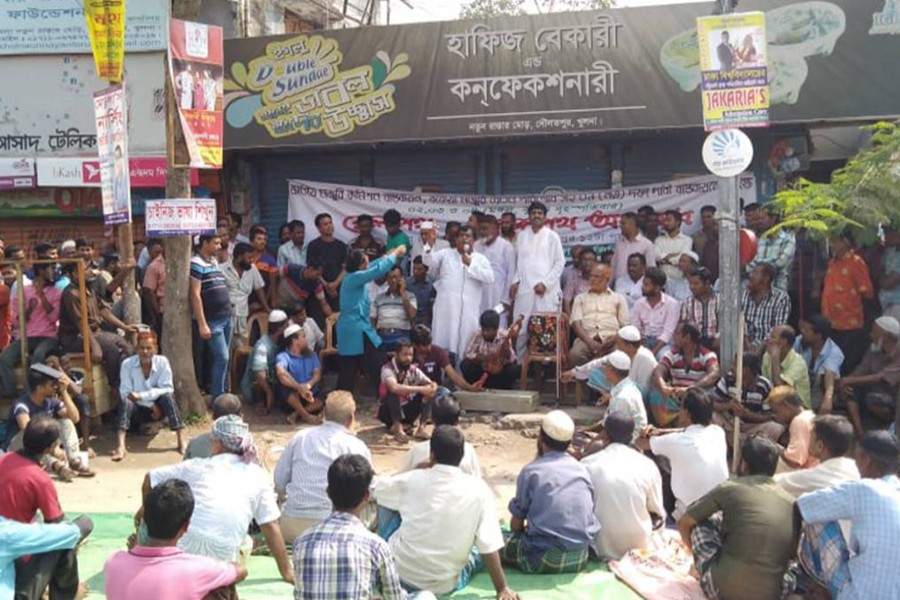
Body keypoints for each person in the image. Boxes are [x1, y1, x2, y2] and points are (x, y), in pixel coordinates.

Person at [141, 416, 293, 583]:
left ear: (219, 444)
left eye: (212, 441)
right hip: (222, 560)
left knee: (149, 523)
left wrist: (145, 517)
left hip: (181, 558)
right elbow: (270, 525)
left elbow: (150, 478)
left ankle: (141, 558)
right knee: (245, 544)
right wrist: (286, 571)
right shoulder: (257, 474)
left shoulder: (197, 466)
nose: (209, 444)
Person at [374, 426, 519, 598]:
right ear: (461, 456)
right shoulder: (479, 490)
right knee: (482, 545)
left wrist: (417, 469)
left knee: (385, 498)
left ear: (432, 454)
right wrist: (501, 588)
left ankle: (380, 561)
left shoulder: (411, 480)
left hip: (398, 574)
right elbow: (489, 546)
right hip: (444, 584)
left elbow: (376, 490)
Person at [678, 436, 797, 600]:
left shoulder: (730, 488)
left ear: (744, 465)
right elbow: (791, 556)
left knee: (703, 522)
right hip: (772, 595)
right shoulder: (792, 503)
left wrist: (694, 555)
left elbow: (685, 522)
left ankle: (704, 571)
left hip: (721, 590)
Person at [293, 455, 421, 600]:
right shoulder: (376, 546)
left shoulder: (302, 542)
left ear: (328, 492)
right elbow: (395, 597)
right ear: (367, 496)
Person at [796, 431, 900, 600]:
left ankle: (814, 589)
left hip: (856, 596)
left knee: (818, 519)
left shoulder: (864, 488)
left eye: (857, 459)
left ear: (866, 460)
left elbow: (803, 505)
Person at [0, 417, 94, 600]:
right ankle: (65, 594)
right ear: (49, 448)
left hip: (12, 541)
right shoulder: (40, 479)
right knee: (67, 537)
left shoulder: (4, 459)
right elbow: (58, 526)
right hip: (18, 546)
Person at [105, 479, 246, 600]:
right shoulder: (197, 568)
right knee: (223, 587)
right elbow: (240, 571)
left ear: (144, 520)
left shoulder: (113, 562)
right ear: (186, 526)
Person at [504, 411, 599, 574]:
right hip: (581, 556)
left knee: (493, 541)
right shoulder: (581, 469)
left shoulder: (531, 471)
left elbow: (516, 524)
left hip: (544, 557)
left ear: (540, 439)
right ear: (569, 442)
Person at [274, 391, 371, 544]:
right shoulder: (357, 446)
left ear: (324, 413)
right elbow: (368, 490)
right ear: (351, 418)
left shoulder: (300, 437)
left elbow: (279, 483)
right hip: (335, 531)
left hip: (292, 526)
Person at [581, 412, 665, 561]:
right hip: (640, 550)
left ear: (604, 435)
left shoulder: (587, 465)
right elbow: (658, 514)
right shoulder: (647, 465)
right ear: (631, 435)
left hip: (598, 550)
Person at [642, 388, 729, 519]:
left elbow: (640, 444)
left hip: (687, 515)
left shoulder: (675, 441)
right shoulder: (718, 432)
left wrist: (644, 432)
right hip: (719, 511)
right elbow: (685, 430)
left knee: (654, 456)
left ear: (687, 412)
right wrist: (660, 431)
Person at [336, 245, 406, 393]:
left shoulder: (356, 275)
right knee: (352, 366)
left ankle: (380, 393)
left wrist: (389, 255)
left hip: (357, 327)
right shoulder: (354, 277)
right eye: (365, 262)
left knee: (357, 364)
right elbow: (376, 270)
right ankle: (341, 402)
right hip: (354, 328)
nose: (368, 264)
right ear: (359, 265)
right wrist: (397, 253)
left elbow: (375, 265)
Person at [4, 365, 90, 480]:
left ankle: (74, 460)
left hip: (40, 447)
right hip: (17, 447)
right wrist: (54, 450)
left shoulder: (51, 402)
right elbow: (29, 431)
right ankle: (57, 466)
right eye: (51, 385)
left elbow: (75, 418)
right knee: (35, 436)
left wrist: (64, 392)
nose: (55, 387)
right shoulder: (21, 405)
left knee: (66, 422)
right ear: (40, 388)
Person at [113, 332, 184, 461]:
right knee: (125, 401)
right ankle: (121, 446)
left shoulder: (162, 362)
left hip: (159, 410)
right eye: (141, 348)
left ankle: (181, 439)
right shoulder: (127, 364)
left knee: (168, 396)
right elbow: (126, 393)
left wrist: (141, 396)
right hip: (137, 410)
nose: (145, 352)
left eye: (149, 348)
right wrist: (150, 404)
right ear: (136, 349)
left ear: (155, 349)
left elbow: (168, 388)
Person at [0, 261, 62, 400]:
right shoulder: (25, 291)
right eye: (50, 268)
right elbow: (17, 320)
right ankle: (11, 394)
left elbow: (54, 317)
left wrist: (41, 296)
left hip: (48, 336)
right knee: (4, 358)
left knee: (37, 357)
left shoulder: (56, 292)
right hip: (28, 336)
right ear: (41, 271)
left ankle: (32, 395)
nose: (54, 271)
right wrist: (30, 309)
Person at [431, 225, 494, 361]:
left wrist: (471, 264)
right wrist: (428, 246)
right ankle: (440, 379)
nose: (464, 239)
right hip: (446, 310)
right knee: (441, 344)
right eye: (461, 236)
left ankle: (461, 381)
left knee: (466, 348)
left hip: (468, 312)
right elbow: (428, 262)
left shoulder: (480, 259)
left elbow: (490, 277)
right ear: (456, 239)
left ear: (474, 240)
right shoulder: (445, 254)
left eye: (468, 236)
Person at [510, 202, 565, 358]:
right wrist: (515, 281)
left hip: (545, 292)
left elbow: (560, 263)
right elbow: (518, 263)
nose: (536, 216)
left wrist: (545, 284)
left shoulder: (552, 236)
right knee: (521, 330)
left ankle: (543, 369)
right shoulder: (521, 236)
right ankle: (520, 366)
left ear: (545, 217)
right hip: (525, 290)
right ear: (528, 216)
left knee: (545, 330)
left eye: (540, 213)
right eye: (533, 213)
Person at [574, 350, 648, 456]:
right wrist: (588, 429)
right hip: (618, 438)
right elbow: (607, 421)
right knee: (579, 434)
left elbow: (610, 430)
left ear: (611, 370)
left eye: (605, 366)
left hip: (628, 446)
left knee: (584, 443)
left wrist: (583, 450)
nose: (603, 369)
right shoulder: (624, 386)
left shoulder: (622, 398)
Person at [821, 231, 874, 375]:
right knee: (832, 360)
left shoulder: (856, 262)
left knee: (849, 360)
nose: (832, 245)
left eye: (836, 241)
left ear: (846, 242)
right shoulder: (832, 263)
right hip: (831, 321)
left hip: (850, 322)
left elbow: (867, 292)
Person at [648, 321, 720, 427]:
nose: (674, 336)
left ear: (687, 337)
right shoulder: (672, 354)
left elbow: (714, 373)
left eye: (677, 333)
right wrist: (663, 386)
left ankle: (684, 420)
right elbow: (658, 371)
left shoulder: (707, 355)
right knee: (656, 393)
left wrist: (690, 389)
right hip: (676, 398)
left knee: (707, 394)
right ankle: (673, 422)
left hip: (695, 399)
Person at [839, 315, 900, 436]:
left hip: (891, 393)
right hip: (871, 388)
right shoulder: (874, 349)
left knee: (875, 399)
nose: (872, 334)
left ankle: (889, 423)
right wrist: (847, 382)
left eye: (875, 332)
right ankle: (860, 431)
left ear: (886, 336)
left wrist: (848, 380)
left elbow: (881, 377)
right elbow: (862, 369)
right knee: (851, 391)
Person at [190, 234, 233, 398]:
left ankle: (222, 393)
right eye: (215, 243)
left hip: (226, 316)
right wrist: (202, 323)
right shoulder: (196, 263)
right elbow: (195, 294)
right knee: (221, 357)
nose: (219, 246)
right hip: (213, 319)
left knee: (224, 359)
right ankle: (218, 397)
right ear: (204, 243)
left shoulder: (214, 262)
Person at [775, 414, 860, 498]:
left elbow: (773, 483)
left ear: (820, 446)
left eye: (810, 436)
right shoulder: (856, 468)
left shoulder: (812, 476)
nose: (808, 440)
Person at [398, 394, 482, 476]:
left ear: (432, 418)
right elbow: (476, 479)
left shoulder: (417, 451)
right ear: (457, 421)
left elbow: (400, 479)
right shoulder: (468, 451)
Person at [563, 325, 657, 395]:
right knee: (595, 372)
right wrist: (573, 372)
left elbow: (645, 390)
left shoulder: (645, 358)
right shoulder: (623, 353)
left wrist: (616, 393)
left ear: (629, 346)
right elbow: (599, 362)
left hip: (638, 397)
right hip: (624, 389)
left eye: (619, 344)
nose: (617, 347)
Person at [712, 353, 782, 444]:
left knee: (774, 428)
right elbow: (712, 403)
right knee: (712, 416)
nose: (732, 368)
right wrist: (728, 406)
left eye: (735, 365)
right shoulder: (727, 380)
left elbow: (769, 416)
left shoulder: (764, 386)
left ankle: (744, 442)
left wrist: (746, 414)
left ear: (746, 370)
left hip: (753, 427)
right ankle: (733, 440)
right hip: (731, 424)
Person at [568, 264, 629, 367]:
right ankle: (583, 382)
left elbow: (625, 326)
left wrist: (613, 340)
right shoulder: (580, 298)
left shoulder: (618, 298)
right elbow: (576, 324)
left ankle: (612, 382)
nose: (592, 279)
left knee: (621, 356)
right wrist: (590, 342)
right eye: (591, 276)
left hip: (612, 338)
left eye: (597, 277)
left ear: (607, 279)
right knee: (575, 355)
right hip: (587, 338)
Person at [378, 340, 438, 443]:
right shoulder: (387, 369)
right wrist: (421, 389)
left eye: (410, 355)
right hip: (389, 412)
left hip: (408, 410)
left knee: (429, 391)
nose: (408, 358)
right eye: (405, 355)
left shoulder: (413, 369)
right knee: (393, 393)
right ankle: (398, 430)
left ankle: (421, 428)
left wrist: (431, 387)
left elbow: (432, 384)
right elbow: (394, 388)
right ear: (396, 355)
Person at [221, 242, 269, 348]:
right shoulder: (221, 269)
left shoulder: (252, 269)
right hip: (225, 316)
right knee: (224, 349)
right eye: (249, 257)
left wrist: (266, 308)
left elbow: (259, 288)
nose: (252, 260)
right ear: (239, 258)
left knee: (240, 348)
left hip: (242, 316)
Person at [241, 309, 289, 414]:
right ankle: (260, 404)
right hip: (256, 387)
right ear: (281, 328)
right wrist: (269, 393)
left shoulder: (281, 342)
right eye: (286, 325)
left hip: (273, 382)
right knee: (259, 380)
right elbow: (259, 374)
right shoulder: (262, 345)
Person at [275, 324, 323, 425]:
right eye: (303, 337)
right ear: (295, 340)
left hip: (310, 395)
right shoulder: (283, 356)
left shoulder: (312, 354)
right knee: (285, 389)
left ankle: (297, 413)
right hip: (293, 397)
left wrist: (308, 385)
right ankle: (306, 416)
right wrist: (299, 388)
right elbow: (281, 373)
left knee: (325, 396)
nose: (306, 339)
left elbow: (317, 374)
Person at [460, 310, 521, 390]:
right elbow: (468, 354)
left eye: (488, 330)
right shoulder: (477, 334)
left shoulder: (504, 335)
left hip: (498, 374)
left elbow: (512, 359)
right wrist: (484, 358)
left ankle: (501, 388)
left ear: (496, 330)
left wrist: (507, 352)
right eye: (483, 330)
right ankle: (476, 386)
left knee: (514, 369)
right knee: (466, 365)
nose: (485, 333)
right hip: (482, 371)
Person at [795, 315, 844, 413]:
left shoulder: (834, 352)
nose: (802, 331)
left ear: (818, 335)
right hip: (798, 385)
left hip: (818, 390)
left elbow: (829, 374)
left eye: (806, 330)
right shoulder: (799, 341)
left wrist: (827, 399)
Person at [474, 214, 516, 326]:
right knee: (478, 328)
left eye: (485, 229)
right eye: (480, 229)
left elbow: (511, 274)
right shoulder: (475, 246)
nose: (482, 232)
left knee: (498, 328)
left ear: (496, 230)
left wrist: (506, 301)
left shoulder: (506, 247)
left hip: (499, 299)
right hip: (478, 297)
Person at [767, 385, 819, 472]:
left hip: (808, 471)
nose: (776, 416)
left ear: (785, 405)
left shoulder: (799, 421)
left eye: (776, 411)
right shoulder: (809, 415)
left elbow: (794, 461)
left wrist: (773, 446)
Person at [742, 263, 791, 353]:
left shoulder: (781, 298)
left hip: (768, 346)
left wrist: (759, 350)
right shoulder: (744, 295)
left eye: (755, 273)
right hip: (744, 344)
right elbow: (741, 321)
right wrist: (746, 342)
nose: (751, 276)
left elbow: (777, 329)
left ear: (766, 279)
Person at [630, 267, 680, 356]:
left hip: (663, 343)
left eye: (646, 285)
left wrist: (652, 353)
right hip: (644, 341)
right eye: (643, 284)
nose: (642, 287)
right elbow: (636, 328)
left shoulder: (672, 304)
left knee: (662, 356)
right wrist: (642, 347)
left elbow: (667, 333)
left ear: (657, 288)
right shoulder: (639, 303)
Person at [746, 205, 796, 292]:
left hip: (778, 289)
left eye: (763, 218)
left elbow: (781, 262)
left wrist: (759, 267)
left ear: (773, 218)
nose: (760, 222)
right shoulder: (760, 240)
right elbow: (750, 266)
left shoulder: (788, 239)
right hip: (758, 292)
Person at [410, 324, 475, 391]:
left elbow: (453, 375)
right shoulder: (407, 355)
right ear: (414, 345)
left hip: (434, 390)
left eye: (429, 343)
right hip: (413, 391)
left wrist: (470, 388)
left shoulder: (437, 352)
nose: (429, 348)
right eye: (424, 346)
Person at [307, 213, 348, 315]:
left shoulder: (341, 245)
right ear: (319, 228)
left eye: (330, 223)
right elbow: (312, 269)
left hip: (338, 291)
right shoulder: (313, 246)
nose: (329, 226)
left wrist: (335, 284)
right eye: (325, 224)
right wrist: (326, 285)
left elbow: (345, 268)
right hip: (319, 292)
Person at [762, 325, 812, 409]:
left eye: (772, 337)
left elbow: (781, 390)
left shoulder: (798, 363)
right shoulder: (767, 356)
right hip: (776, 406)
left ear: (783, 342)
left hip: (797, 409)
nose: (768, 340)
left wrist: (775, 359)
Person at [183, 393, 243, 460]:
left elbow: (184, 467)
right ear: (241, 417)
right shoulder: (248, 450)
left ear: (213, 417)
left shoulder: (195, 443)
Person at [371, 265, 417, 351]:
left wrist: (403, 293)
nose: (393, 280)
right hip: (382, 337)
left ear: (402, 279)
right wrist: (375, 337)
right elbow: (373, 320)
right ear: (387, 280)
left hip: (402, 337)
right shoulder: (379, 298)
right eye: (390, 277)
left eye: (396, 277)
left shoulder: (410, 296)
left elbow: (412, 315)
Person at [277, 258, 332, 322]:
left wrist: (332, 317)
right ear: (310, 269)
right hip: (280, 303)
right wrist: (273, 296)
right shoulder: (292, 268)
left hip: (295, 310)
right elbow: (275, 276)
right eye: (317, 274)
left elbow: (324, 303)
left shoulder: (316, 284)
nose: (319, 277)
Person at [680, 266, 719, 349]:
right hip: (695, 343)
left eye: (696, 283)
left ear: (707, 284)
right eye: (690, 283)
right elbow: (684, 326)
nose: (692, 287)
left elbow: (726, 326)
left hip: (716, 341)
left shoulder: (720, 300)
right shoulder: (687, 303)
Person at [654, 210, 692, 290]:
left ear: (677, 222)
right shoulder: (659, 239)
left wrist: (665, 259)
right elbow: (656, 256)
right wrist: (673, 257)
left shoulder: (687, 240)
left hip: (679, 279)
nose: (666, 223)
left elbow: (682, 259)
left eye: (669, 220)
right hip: (662, 281)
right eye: (665, 220)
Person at [612, 212, 656, 281]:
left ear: (632, 224)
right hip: (619, 286)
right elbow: (613, 266)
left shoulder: (646, 244)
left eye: (623, 223)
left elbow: (651, 268)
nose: (620, 226)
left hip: (639, 286)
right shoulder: (619, 244)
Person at [141, 238, 166, 336]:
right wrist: (157, 312)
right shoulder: (154, 266)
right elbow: (149, 291)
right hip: (162, 310)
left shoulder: (182, 262)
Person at [562, 248, 596, 315]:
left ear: (595, 262)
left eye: (590, 259)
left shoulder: (600, 277)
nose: (587, 263)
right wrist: (571, 320)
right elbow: (566, 301)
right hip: (578, 317)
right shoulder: (573, 277)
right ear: (580, 261)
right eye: (585, 259)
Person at [406, 256, 435, 326]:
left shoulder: (433, 283)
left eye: (419, 269)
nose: (416, 272)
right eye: (414, 269)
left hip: (428, 320)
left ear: (426, 269)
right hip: (410, 319)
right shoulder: (407, 283)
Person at [879, 228, 900, 321]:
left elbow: (887, 283)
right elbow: (881, 269)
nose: (885, 237)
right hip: (886, 304)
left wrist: (883, 280)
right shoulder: (889, 251)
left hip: (897, 305)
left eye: (888, 234)